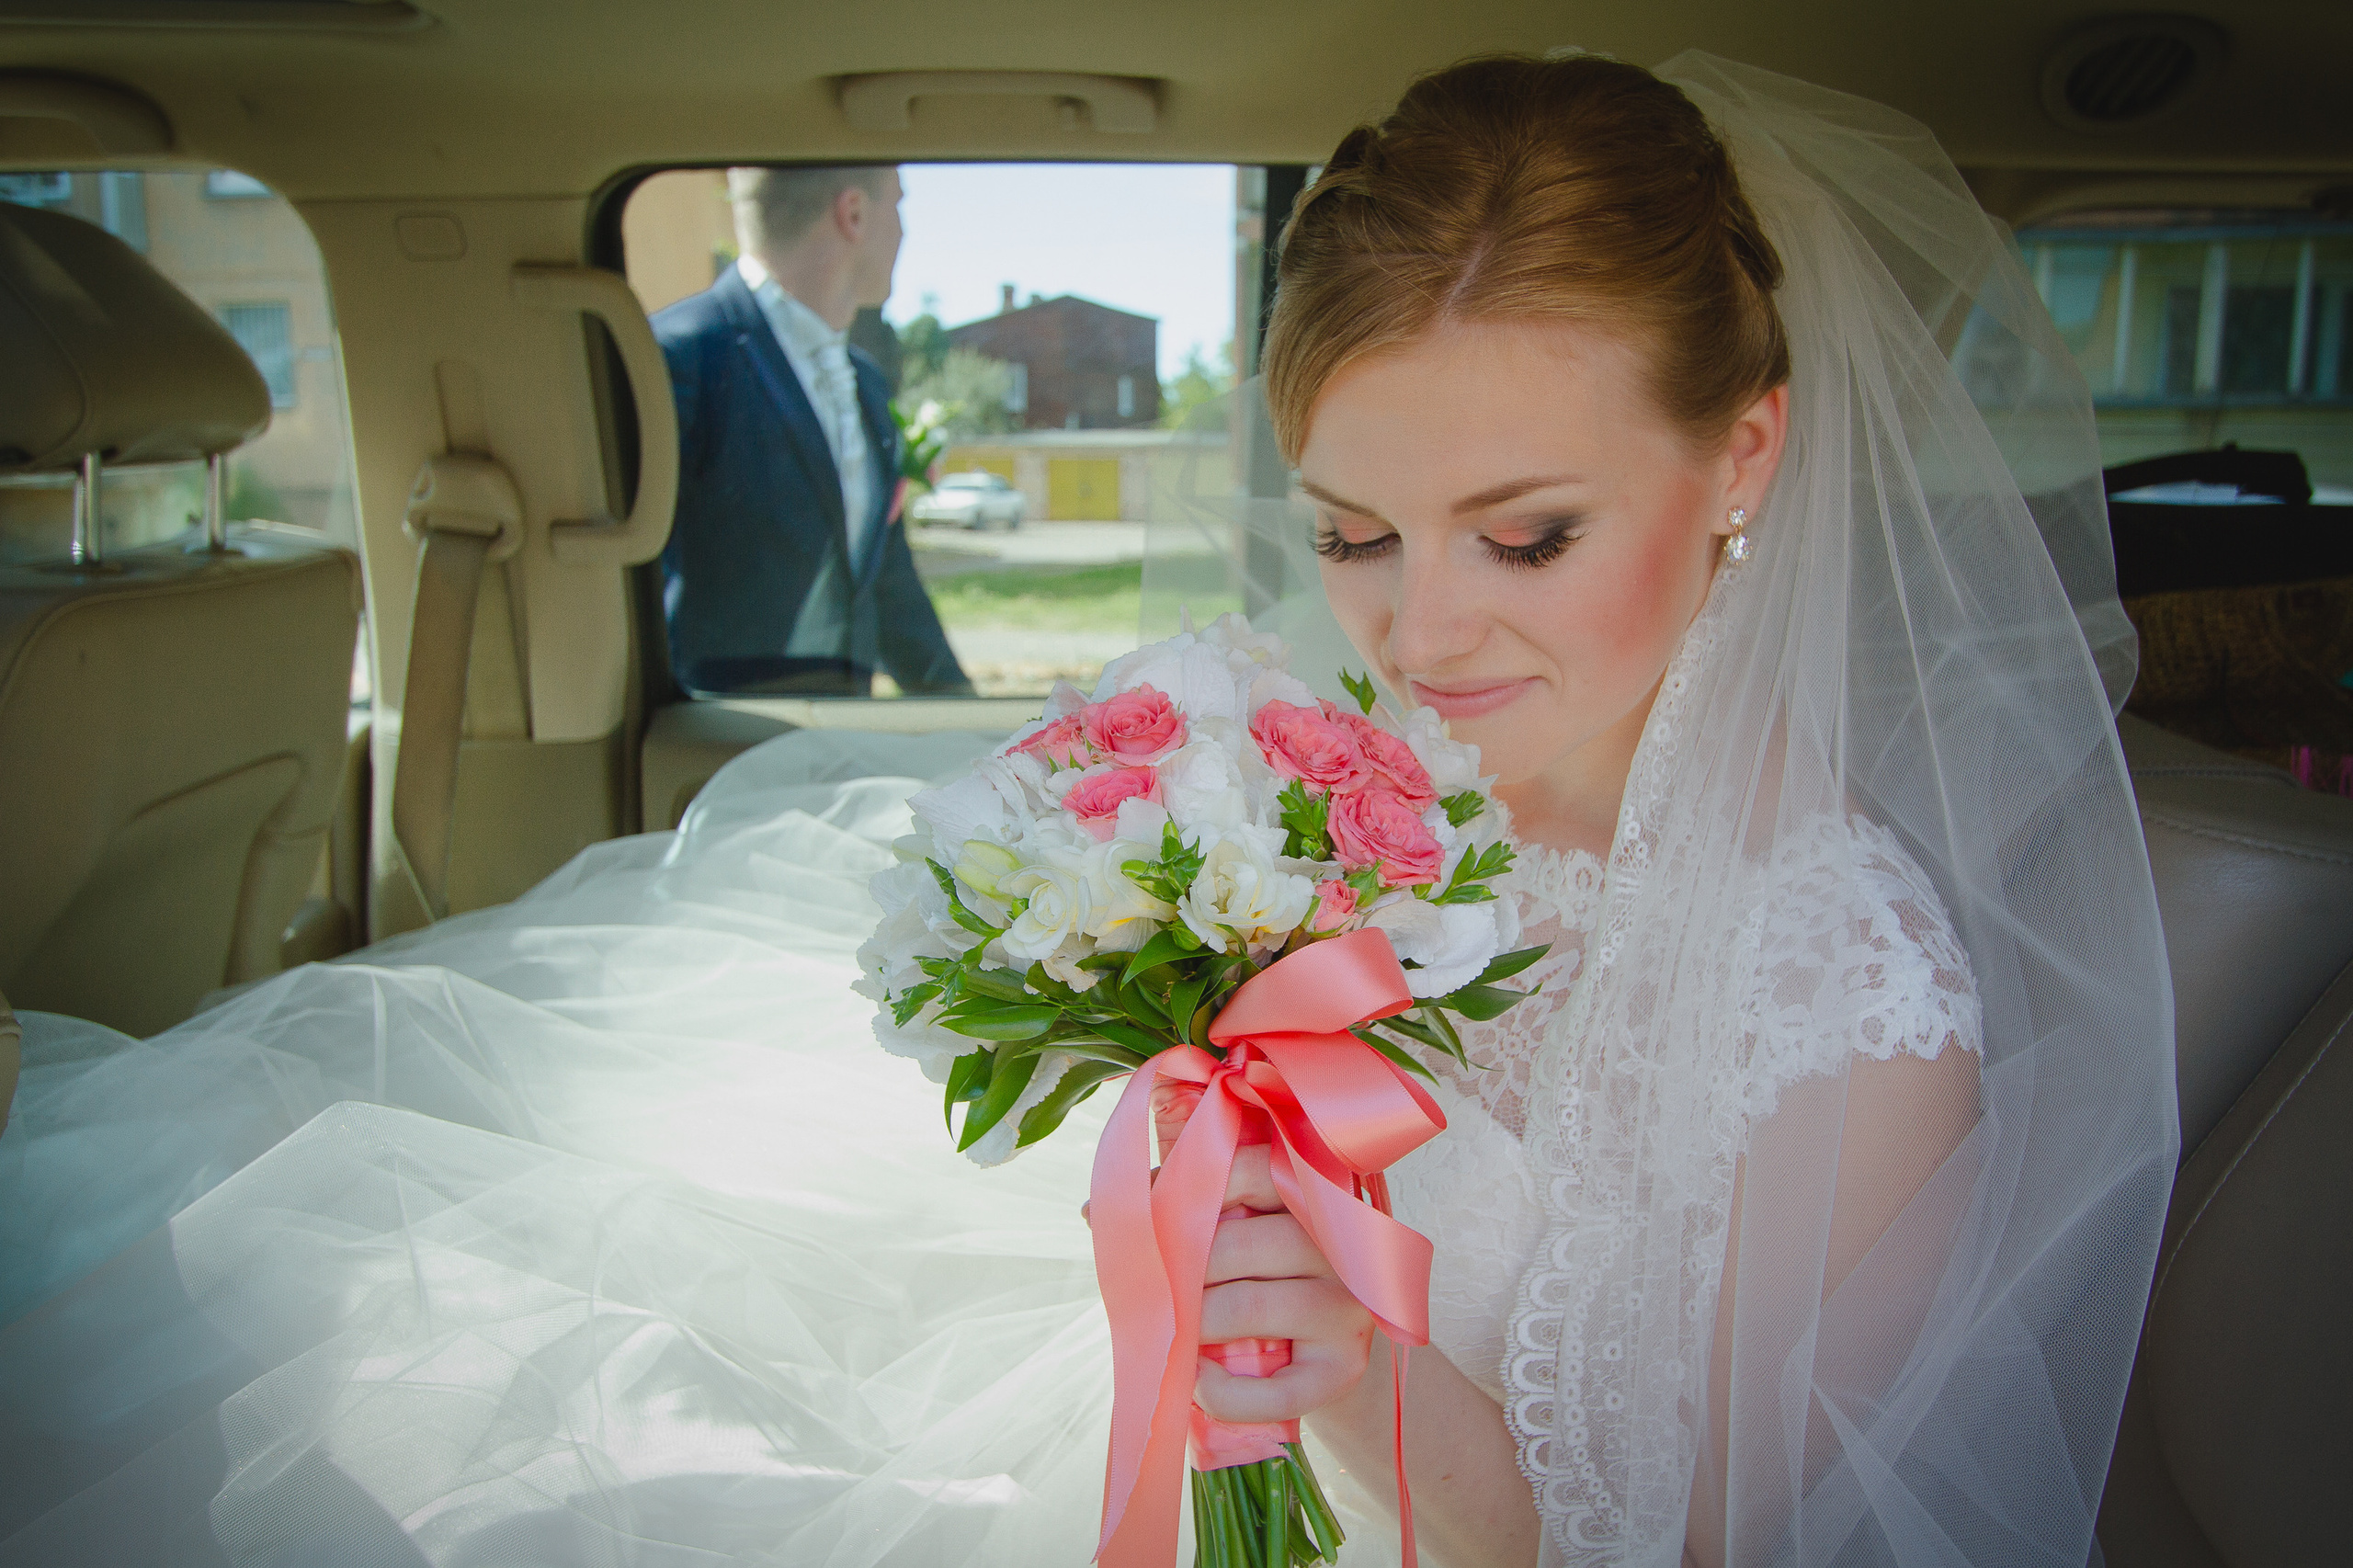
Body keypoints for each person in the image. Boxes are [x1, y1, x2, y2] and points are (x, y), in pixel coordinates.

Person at [0, 54, 2173, 1568]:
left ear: (1744, 457)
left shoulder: (1843, 1011)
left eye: (1523, 535)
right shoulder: (1363, 777)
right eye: (1352, 533)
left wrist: (1341, 1359)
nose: (1416, 635)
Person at [654, 165, 972, 696]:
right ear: (853, 215)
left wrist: (969, 718)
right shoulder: (676, 360)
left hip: (844, 731)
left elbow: (886, 583)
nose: (905, 230)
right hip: (716, 734)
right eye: (899, 204)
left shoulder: (867, 384)